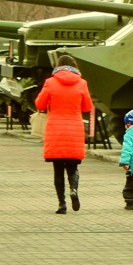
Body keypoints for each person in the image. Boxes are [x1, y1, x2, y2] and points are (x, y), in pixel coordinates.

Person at [34, 54, 93, 214]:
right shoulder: (81, 83)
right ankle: (73, 189)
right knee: (73, 167)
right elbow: (87, 106)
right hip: (74, 128)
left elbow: (39, 103)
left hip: (56, 130)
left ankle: (62, 204)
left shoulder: (50, 82)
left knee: (58, 170)